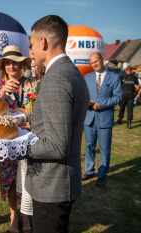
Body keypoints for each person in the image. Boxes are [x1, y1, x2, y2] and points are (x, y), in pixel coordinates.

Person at [26, 15, 90, 233]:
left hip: (51, 185)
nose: (31, 51)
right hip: (59, 182)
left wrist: (16, 148)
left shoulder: (56, 78)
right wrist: (30, 122)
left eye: (31, 44)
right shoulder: (70, 71)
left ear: (43, 42)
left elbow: (56, 145)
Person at [0, 45, 33, 233]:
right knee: (10, 180)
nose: (11, 66)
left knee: (26, 178)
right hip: (7, 142)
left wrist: (25, 111)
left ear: (20, 64)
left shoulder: (29, 84)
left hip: (27, 140)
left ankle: (26, 216)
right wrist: (2, 93)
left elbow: (36, 110)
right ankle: (13, 217)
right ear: (4, 66)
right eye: (7, 63)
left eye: (14, 62)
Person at [82, 53, 123, 187]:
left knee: (104, 148)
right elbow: (84, 94)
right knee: (89, 146)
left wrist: (102, 104)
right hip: (89, 118)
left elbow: (118, 97)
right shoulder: (87, 77)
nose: (94, 64)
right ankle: (89, 171)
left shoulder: (115, 77)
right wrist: (86, 101)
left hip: (105, 118)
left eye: (96, 61)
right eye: (92, 62)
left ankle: (102, 174)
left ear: (102, 60)